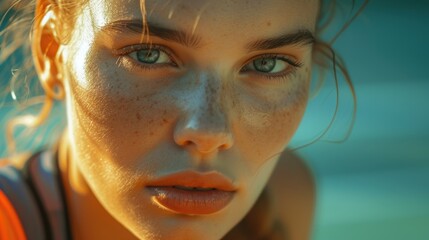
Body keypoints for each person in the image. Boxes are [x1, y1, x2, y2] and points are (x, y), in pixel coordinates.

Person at [0, 0, 365, 239]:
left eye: (266, 64)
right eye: (149, 54)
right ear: (51, 51)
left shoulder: (284, 194)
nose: (208, 132)